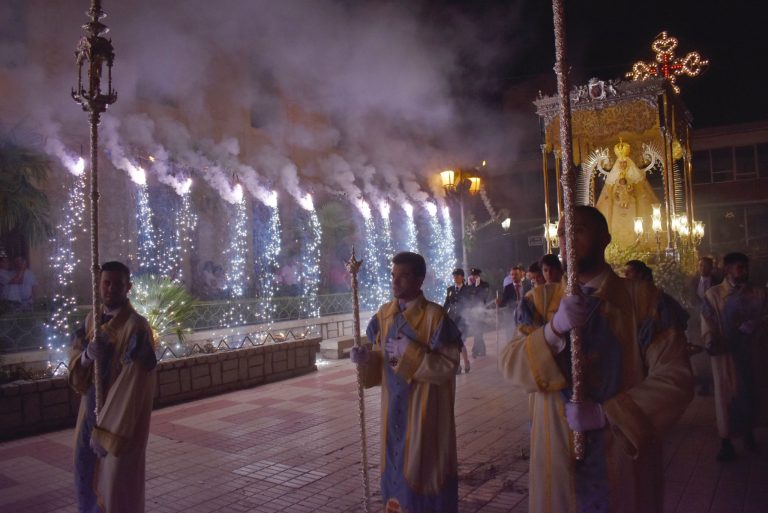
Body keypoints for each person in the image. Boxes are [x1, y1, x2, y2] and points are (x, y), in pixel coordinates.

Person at [499, 206, 694, 513]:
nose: (568, 240)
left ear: (605, 237)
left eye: (578, 230)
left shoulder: (645, 301)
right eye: (563, 233)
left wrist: (608, 414)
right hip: (556, 460)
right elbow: (511, 366)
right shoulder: (539, 301)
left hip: (621, 460)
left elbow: (676, 379)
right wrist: (552, 331)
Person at [351, 251, 463, 512]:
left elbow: (447, 367)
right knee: (394, 469)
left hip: (425, 414)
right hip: (393, 411)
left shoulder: (435, 317)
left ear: (419, 279)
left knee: (423, 471)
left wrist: (409, 353)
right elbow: (386, 361)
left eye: (403, 276)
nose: (395, 282)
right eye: (393, 275)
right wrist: (367, 359)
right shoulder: (383, 316)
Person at [68, 261, 157, 513]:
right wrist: (86, 357)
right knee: (85, 480)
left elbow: (133, 385)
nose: (110, 289)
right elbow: (76, 371)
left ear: (128, 287)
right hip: (88, 416)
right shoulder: (91, 321)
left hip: (119, 426)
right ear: (99, 284)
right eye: (106, 283)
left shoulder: (136, 327)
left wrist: (108, 430)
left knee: (116, 489)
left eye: (117, 284)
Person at [701, 252, 768, 461]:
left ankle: (748, 433)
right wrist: (711, 340)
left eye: (745, 268)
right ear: (728, 269)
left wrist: (757, 324)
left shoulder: (758, 294)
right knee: (726, 398)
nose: (744, 272)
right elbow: (708, 321)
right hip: (726, 356)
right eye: (740, 268)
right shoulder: (713, 295)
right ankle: (726, 441)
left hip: (751, 354)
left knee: (750, 393)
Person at [595, 140, 661, 249]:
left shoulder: (635, 177)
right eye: (620, 163)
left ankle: (637, 244)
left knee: (635, 225)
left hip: (632, 207)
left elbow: (641, 194)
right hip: (617, 210)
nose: (622, 165)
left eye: (624, 162)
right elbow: (609, 198)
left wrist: (629, 190)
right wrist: (617, 194)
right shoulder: (612, 180)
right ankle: (616, 248)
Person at [686, 256, 723, 395]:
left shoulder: (718, 281)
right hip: (696, 321)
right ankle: (704, 384)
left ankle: (716, 383)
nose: (702, 268)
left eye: (705, 266)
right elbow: (691, 299)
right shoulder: (693, 282)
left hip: (714, 322)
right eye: (700, 265)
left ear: (711, 268)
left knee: (713, 352)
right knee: (700, 355)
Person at [444, 268, 471, 373]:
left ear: (462, 277)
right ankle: (458, 365)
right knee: (454, 343)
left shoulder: (467, 289)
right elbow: (447, 303)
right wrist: (442, 313)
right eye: (454, 276)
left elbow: (469, 303)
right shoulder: (450, 289)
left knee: (461, 341)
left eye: (457, 276)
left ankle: (466, 362)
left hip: (463, 319)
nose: (455, 278)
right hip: (453, 319)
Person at [466, 267, 490, 358]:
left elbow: (483, 297)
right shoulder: (469, 285)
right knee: (477, 331)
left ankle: (475, 350)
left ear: (478, 276)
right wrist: (469, 286)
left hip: (481, 311)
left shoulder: (484, 284)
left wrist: (477, 286)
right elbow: (466, 297)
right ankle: (482, 349)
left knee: (478, 331)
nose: (473, 277)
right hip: (471, 312)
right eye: (472, 275)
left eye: (475, 275)